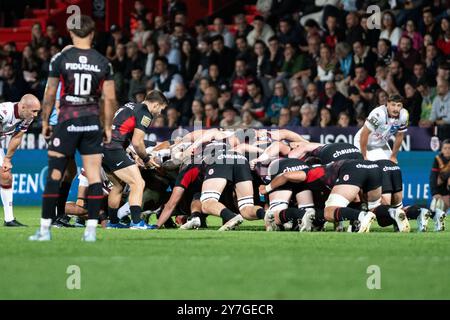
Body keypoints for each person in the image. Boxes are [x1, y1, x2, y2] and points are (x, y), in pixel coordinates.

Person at [29, 15, 116, 242]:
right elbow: (109, 99)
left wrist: (46, 121)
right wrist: (107, 126)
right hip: (91, 122)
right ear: (93, 34)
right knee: (94, 176)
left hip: (66, 121)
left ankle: (45, 229)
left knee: (55, 174)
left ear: (72, 34)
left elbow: (49, 93)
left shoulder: (61, 60)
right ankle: (90, 231)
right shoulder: (103, 62)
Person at [102, 91, 168, 229]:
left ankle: (113, 223)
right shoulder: (145, 113)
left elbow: (121, 130)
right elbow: (137, 142)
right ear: (156, 105)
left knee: (118, 186)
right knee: (138, 183)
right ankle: (137, 222)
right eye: (161, 108)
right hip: (114, 149)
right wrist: (146, 158)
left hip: (103, 149)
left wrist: (132, 154)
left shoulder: (130, 105)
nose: (160, 113)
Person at [0, 94, 41, 227]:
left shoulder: (26, 117)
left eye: (37, 112)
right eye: (33, 111)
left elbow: (17, 137)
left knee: (6, 176)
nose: (35, 115)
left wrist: (7, 159)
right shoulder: (3, 112)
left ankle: (9, 219)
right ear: (23, 107)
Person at [354, 94, 408, 162]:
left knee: (392, 166)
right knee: (367, 167)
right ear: (387, 104)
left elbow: (400, 135)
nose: (395, 109)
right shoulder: (378, 114)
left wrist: (393, 156)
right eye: (393, 105)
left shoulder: (404, 115)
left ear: (402, 106)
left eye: (399, 105)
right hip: (362, 141)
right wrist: (364, 156)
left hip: (381, 143)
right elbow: (364, 134)